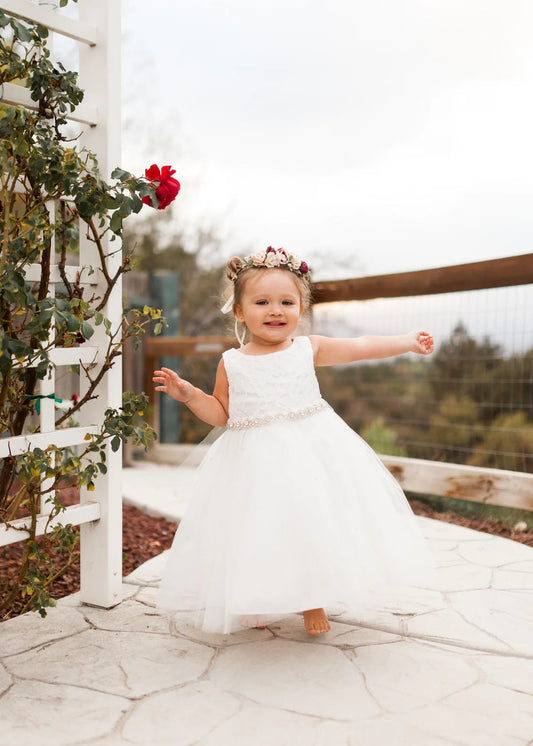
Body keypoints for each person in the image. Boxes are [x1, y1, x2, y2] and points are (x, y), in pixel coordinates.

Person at [153, 247, 435, 637]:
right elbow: (222, 413)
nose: (276, 310)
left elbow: (360, 347)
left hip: (311, 450)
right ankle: (255, 594)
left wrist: (406, 341)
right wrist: (189, 396)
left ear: (301, 308)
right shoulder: (232, 362)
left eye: (287, 302)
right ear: (239, 311)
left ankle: (310, 600)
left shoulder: (307, 348)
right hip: (253, 459)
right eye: (262, 302)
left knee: (309, 520)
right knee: (258, 527)